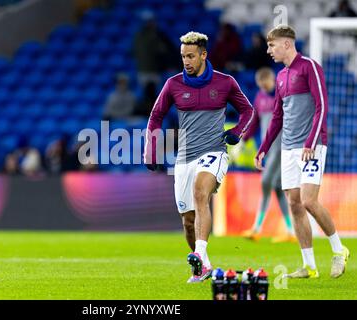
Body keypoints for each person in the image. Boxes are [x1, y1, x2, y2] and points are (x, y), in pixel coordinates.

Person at [144, 31, 254, 283]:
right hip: (184, 157)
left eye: (191, 56)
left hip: (213, 151)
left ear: (204, 55)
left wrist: (237, 131)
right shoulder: (173, 84)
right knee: (188, 220)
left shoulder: (225, 82)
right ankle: (201, 268)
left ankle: (200, 253)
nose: (186, 61)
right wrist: (150, 148)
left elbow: (248, 111)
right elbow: (155, 116)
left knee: (200, 193)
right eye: (183, 56)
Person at [255, 25, 349, 279]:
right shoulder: (281, 77)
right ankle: (309, 266)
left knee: (308, 200)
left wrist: (310, 142)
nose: (268, 50)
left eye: (271, 45)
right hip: (288, 149)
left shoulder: (309, 67)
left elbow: (322, 106)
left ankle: (339, 251)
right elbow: (277, 116)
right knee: (295, 204)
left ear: (286, 44)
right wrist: (263, 148)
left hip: (312, 146)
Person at [238, 67, 295, 243]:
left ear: (272, 81)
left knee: (265, 182)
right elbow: (255, 120)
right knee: (277, 187)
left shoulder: (282, 96)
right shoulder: (260, 97)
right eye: (261, 85)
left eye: (266, 83)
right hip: (267, 147)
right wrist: (244, 139)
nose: (264, 87)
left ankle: (257, 228)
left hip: (280, 146)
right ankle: (290, 231)